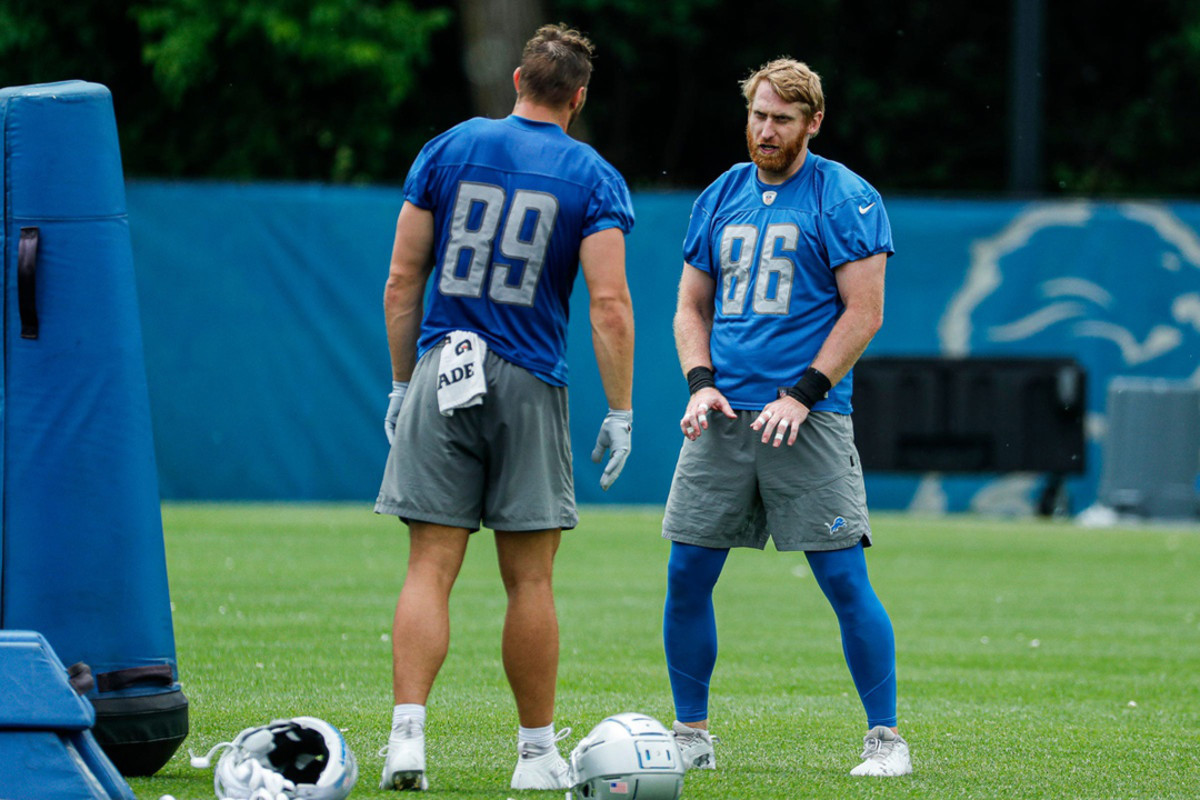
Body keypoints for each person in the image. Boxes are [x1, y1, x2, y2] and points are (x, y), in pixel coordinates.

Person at [374, 23, 635, 792]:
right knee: (530, 582)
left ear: (520, 78)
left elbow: (401, 279)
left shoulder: (449, 148)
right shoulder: (592, 176)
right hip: (527, 375)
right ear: (578, 98)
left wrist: (401, 382)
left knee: (429, 566)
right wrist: (619, 409)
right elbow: (610, 304)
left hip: (442, 366)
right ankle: (533, 757)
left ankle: (407, 742)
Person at [660, 58, 911, 777]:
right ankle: (691, 734)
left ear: (813, 122)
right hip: (723, 417)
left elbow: (865, 312)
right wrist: (699, 383)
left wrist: (801, 394)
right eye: (758, 115)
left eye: (781, 119)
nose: (765, 131)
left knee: (843, 580)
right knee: (686, 574)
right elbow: (691, 306)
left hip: (810, 418)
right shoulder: (720, 195)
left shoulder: (846, 197)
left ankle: (886, 739)